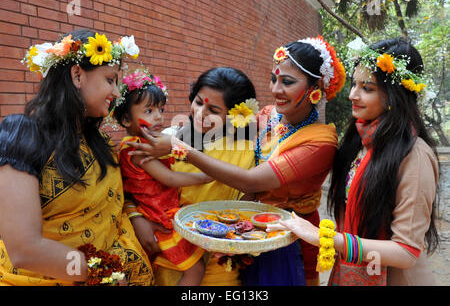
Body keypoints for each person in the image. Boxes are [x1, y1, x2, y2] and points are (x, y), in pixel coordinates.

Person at [129, 36, 346, 285]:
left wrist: (182, 149)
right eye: (273, 79)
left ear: (315, 87)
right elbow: (137, 184)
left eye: (287, 82)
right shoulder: (264, 117)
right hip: (190, 246)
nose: (275, 90)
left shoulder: (320, 141)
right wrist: (135, 213)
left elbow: (251, 183)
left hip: (280, 239)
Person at [268, 37, 440, 286]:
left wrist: (326, 238)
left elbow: (406, 251)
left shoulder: (415, 155)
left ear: (395, 96)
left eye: (366, 88)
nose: (352, 95)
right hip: (346, 272)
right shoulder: (358, 141)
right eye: (354, 84)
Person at [0, 29, 153, 285]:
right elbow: (25, 249)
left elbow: (117, 202)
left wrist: (137, 218)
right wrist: (105, 275)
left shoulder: (100, 141)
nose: (116, 93)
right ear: (77, 75)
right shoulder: (23, 136)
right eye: (110, 80)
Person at [124, 67, 258, 286]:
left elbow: (246, 208)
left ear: (234, 116)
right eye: (198, 102)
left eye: (213, 110)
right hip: (165, 255)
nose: (200, 113)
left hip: (218, 263)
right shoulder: (165, 139)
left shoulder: (245, 153)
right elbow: (131, 186)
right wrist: (135, 217)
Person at [112, 69, 213, 285]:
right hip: (159, 218)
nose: (158, 116)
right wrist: (205, 176)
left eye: (160, 109)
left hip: (157, 213)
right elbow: (169, 179)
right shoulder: (136, 148)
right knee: (196, 269)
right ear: (126, 119)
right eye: (148, 111)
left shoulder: (145, 142)